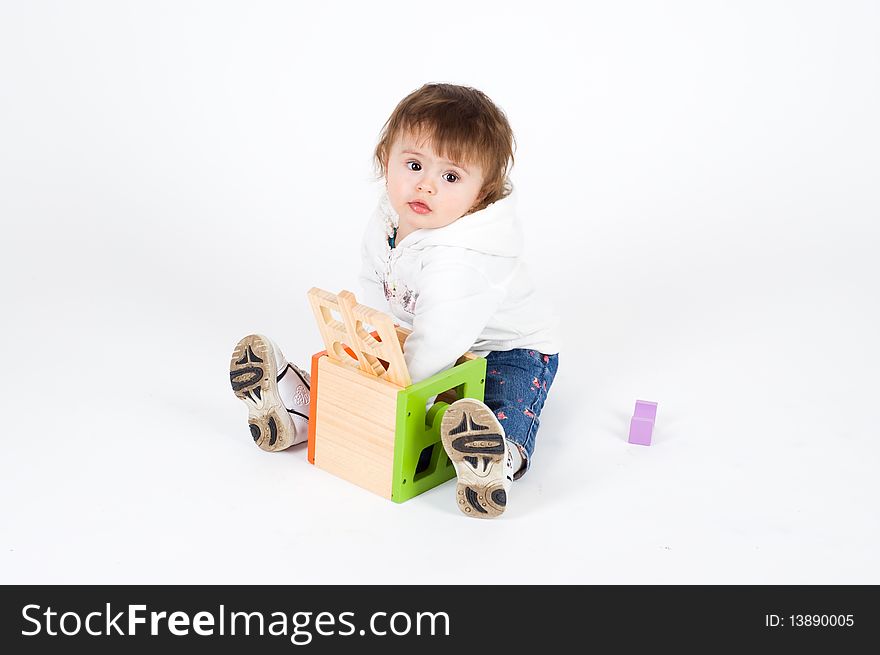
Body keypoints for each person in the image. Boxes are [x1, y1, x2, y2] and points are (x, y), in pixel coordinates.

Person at [230, 83, 559, 519]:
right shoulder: (389, 219)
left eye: (450, 177)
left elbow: (441, 340)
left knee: (497, 408)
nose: (425, 186)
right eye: (414, 164)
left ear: (481, 194)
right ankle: (302, 413)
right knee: (360, 373)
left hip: (505, 351)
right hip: (417, 337)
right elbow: (374, 283)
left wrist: (396, 389)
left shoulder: (464, 258)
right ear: (387, 158)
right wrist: (371, 351)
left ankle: (496, 463)